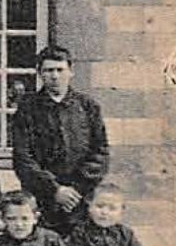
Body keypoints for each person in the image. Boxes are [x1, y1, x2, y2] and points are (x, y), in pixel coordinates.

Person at [11, 44, 110, 234]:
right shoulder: (27, 109)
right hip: (42, 200)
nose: (55, 76)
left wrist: (75, 189)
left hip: (80, 199)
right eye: (48, 71)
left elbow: (101, 152)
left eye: (60, 70)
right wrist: (55, 190)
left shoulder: (88, 106)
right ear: (39, 73)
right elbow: (23, 157)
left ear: (70, 71)